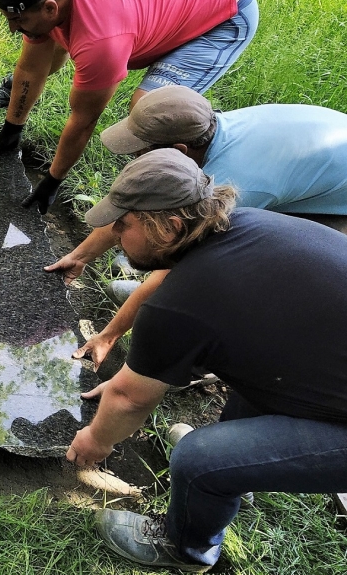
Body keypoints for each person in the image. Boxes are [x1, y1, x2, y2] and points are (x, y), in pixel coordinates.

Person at [65, 148, 347, 572]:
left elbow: (129, 401)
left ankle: (187, 547)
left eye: (124, 225)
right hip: (324, 370)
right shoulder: (249, 224)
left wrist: (98, 440)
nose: (116, 234)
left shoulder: (184, 301)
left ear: (170, 227)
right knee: (253, 390)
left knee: (199, 460)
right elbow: (205, 331)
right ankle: (238, 471)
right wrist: (140, 373)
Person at [48, 85, 347, 368]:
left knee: (246, 267)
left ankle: (206, 358)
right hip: (315, 159)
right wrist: (80, 256)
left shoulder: (239, 185)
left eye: (141, 150)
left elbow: (178, 266)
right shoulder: (201, 129)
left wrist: (109, 334)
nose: (135, 156)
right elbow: (134, 202)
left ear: (180, 149)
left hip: (337, 206)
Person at [0, 0, 258, 213]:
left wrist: (53, 179)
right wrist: (12, 127)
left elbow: (84, 120)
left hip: (224, 13)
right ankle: (12, 102)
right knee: (45, 43)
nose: (12, 28)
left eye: (18, 21)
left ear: (51, 8)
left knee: (150, 111)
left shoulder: (101, 42)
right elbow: (32, 67)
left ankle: (156, 205)